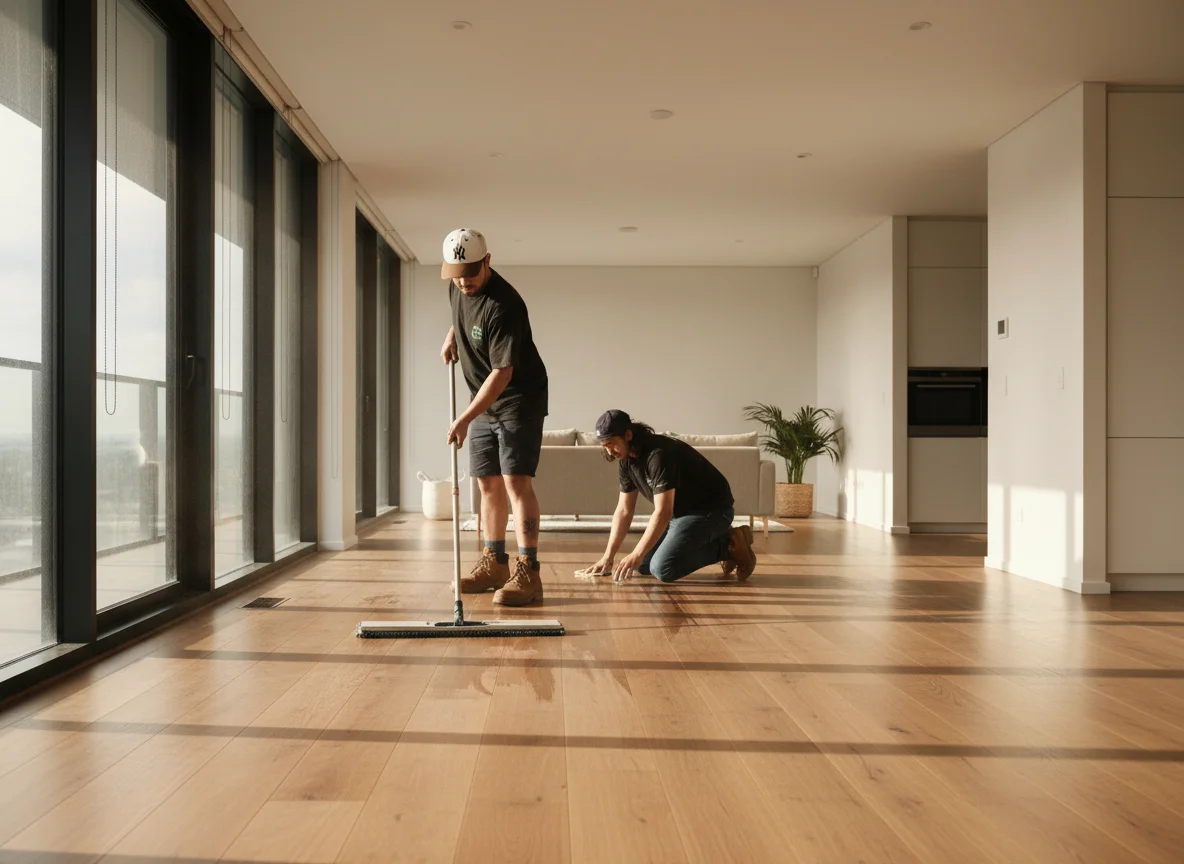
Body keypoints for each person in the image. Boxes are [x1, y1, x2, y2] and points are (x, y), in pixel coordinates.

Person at [439, 228, 549, 606]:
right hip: (483, 399)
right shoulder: (457, 285)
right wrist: (453, 334)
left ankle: (529, 572)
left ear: (488, 261)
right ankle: (494, 563)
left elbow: (503, 373)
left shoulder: (505, 305)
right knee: (487, 484)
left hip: (518, 398)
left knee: (515, 482)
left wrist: (465, 418)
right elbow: (463, 313)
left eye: (471, 271)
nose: (464, 281)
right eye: (457, 272)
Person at [585, 409, 756, 582]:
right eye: (605, 446)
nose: (609, 452)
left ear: (628, 434)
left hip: (710, 510)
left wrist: (636, 553)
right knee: (643, 564)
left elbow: (663, 512)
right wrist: (608, 556)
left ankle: (728, 545)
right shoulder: (626, 460)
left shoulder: (659, 455)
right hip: (680, 513)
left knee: (662, 568)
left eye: (612, 444)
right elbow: (623, 510)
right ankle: (719, 539)